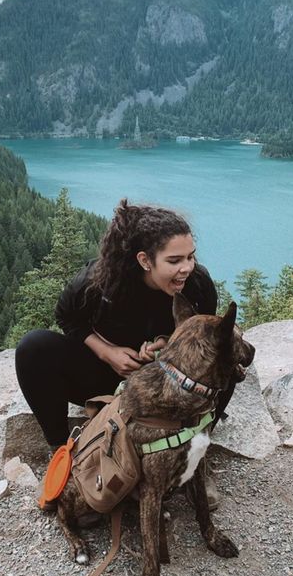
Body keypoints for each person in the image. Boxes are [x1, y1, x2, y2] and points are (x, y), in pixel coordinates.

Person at [15, 199, 229, 505]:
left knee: (227, 362)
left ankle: (192, 458)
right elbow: (68, 319)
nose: (186, 268)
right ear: (145, 260)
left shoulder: (197, 287)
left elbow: (205, 342)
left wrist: (168, 347)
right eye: (174, 261)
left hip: (164, 393)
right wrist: (107, 352)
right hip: (107, 379)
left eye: (191, 257)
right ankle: (64, 456)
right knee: (33, 348)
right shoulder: (99, 282)